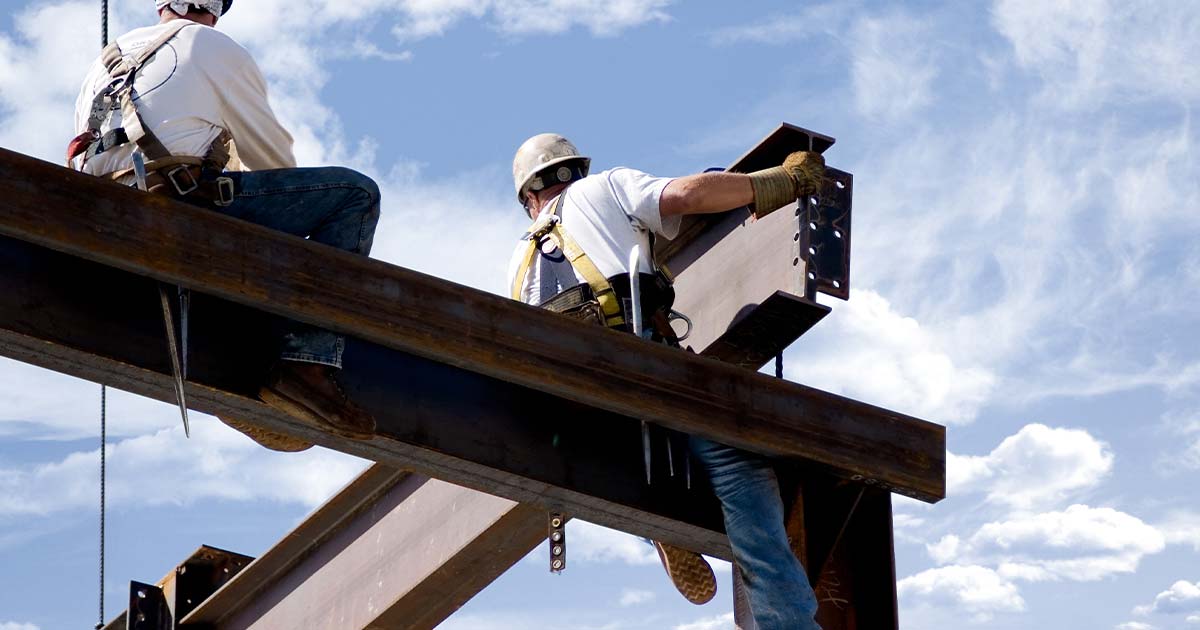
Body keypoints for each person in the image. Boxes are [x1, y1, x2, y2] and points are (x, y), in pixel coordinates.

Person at [506, 134, 825, 629]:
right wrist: (779, 181)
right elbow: (687, 197)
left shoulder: (518, 262)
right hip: (635, 366)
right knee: (737, 467)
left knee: (644, 455)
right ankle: (787, 622)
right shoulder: (604, 188)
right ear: (575, 171)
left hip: (564, 412)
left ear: (529, 198)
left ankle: (657, 513)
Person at [69, 0, 379, 452]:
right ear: (217, 9)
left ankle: (236, 366)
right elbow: (271, 158)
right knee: (354, 195)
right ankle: (305, 367)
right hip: (174, 206)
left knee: (233, 228)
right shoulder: (212, 45)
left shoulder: (105, 62)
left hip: (103, 216)